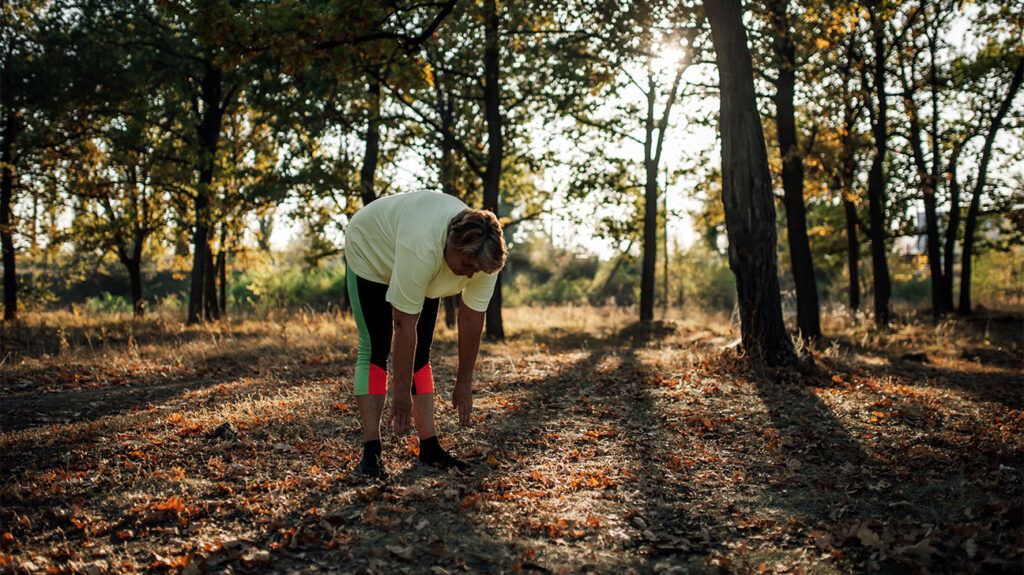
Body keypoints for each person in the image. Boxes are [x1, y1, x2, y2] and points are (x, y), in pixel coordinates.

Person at [343, 191, 507, 478]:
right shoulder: (422, 247)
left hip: (420, 257)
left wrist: (464, 381)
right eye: (467, 266)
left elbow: (471, 317)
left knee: (422, 354)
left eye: (477, 269)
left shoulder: (484, 254)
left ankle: (429, 446)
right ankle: (372, 451)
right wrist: (401, 394)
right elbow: (403, 325)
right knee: (376, 346)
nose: (470, 276)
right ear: (451, 245)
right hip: (371, 249)